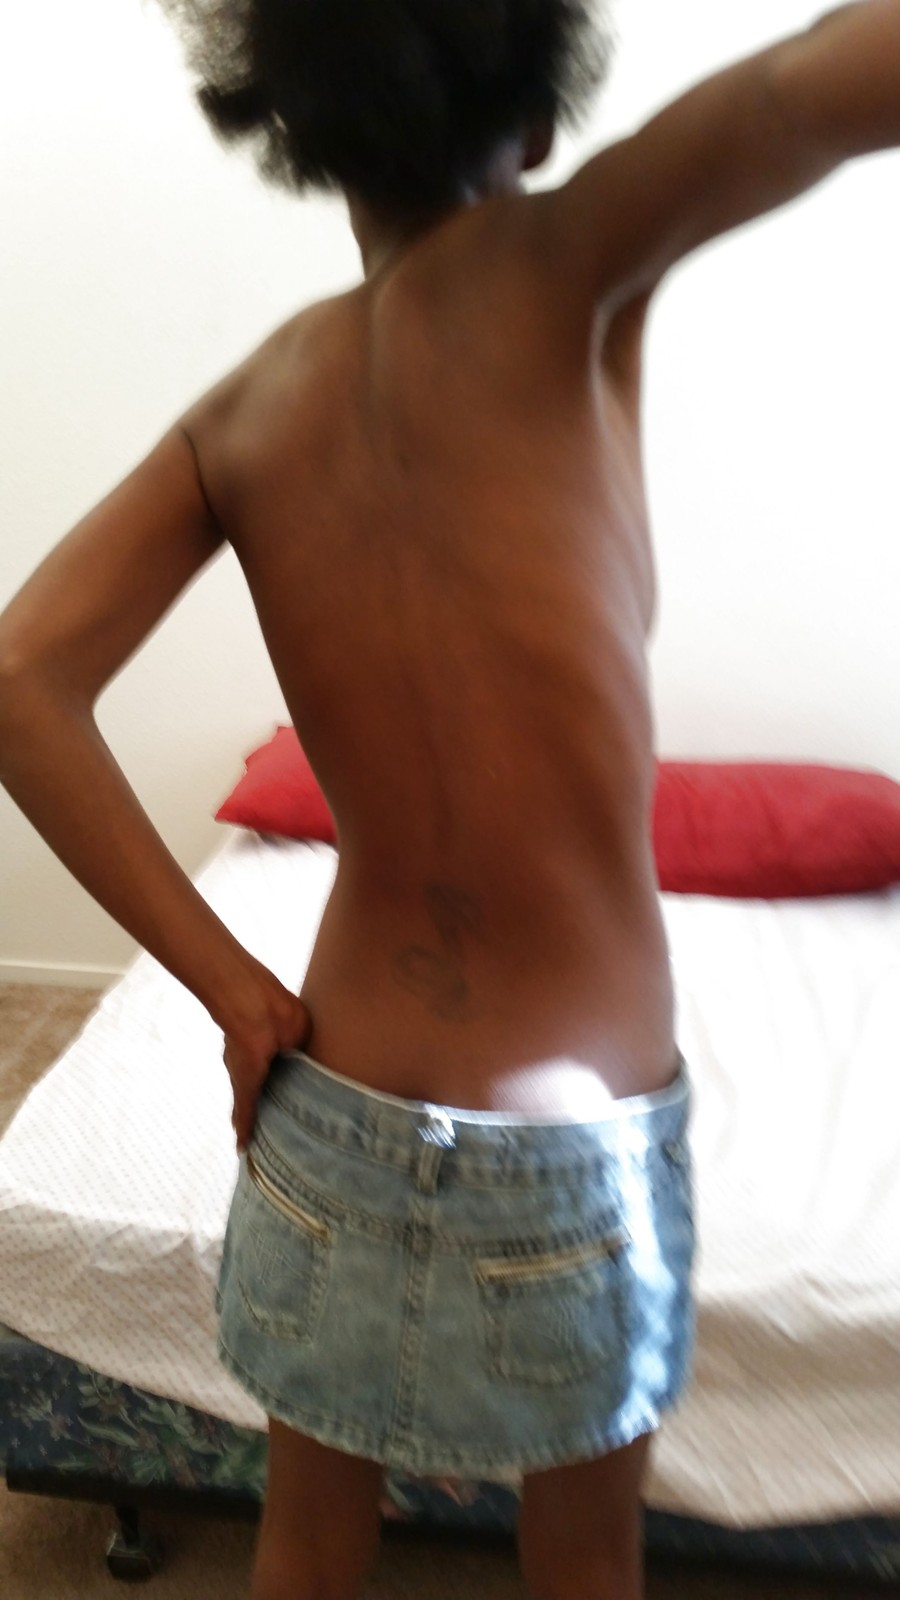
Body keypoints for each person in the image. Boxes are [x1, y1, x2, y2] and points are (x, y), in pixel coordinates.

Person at [0, 2, 897, 1595]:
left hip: (330, 1112)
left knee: (305, 1548)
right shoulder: (574, 265)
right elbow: (805, 91)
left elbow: (21, 679)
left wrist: (233, 992)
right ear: (536, 111)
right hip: (575, 1141)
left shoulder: (244, 410)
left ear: (300, 125)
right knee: (585, 1563)